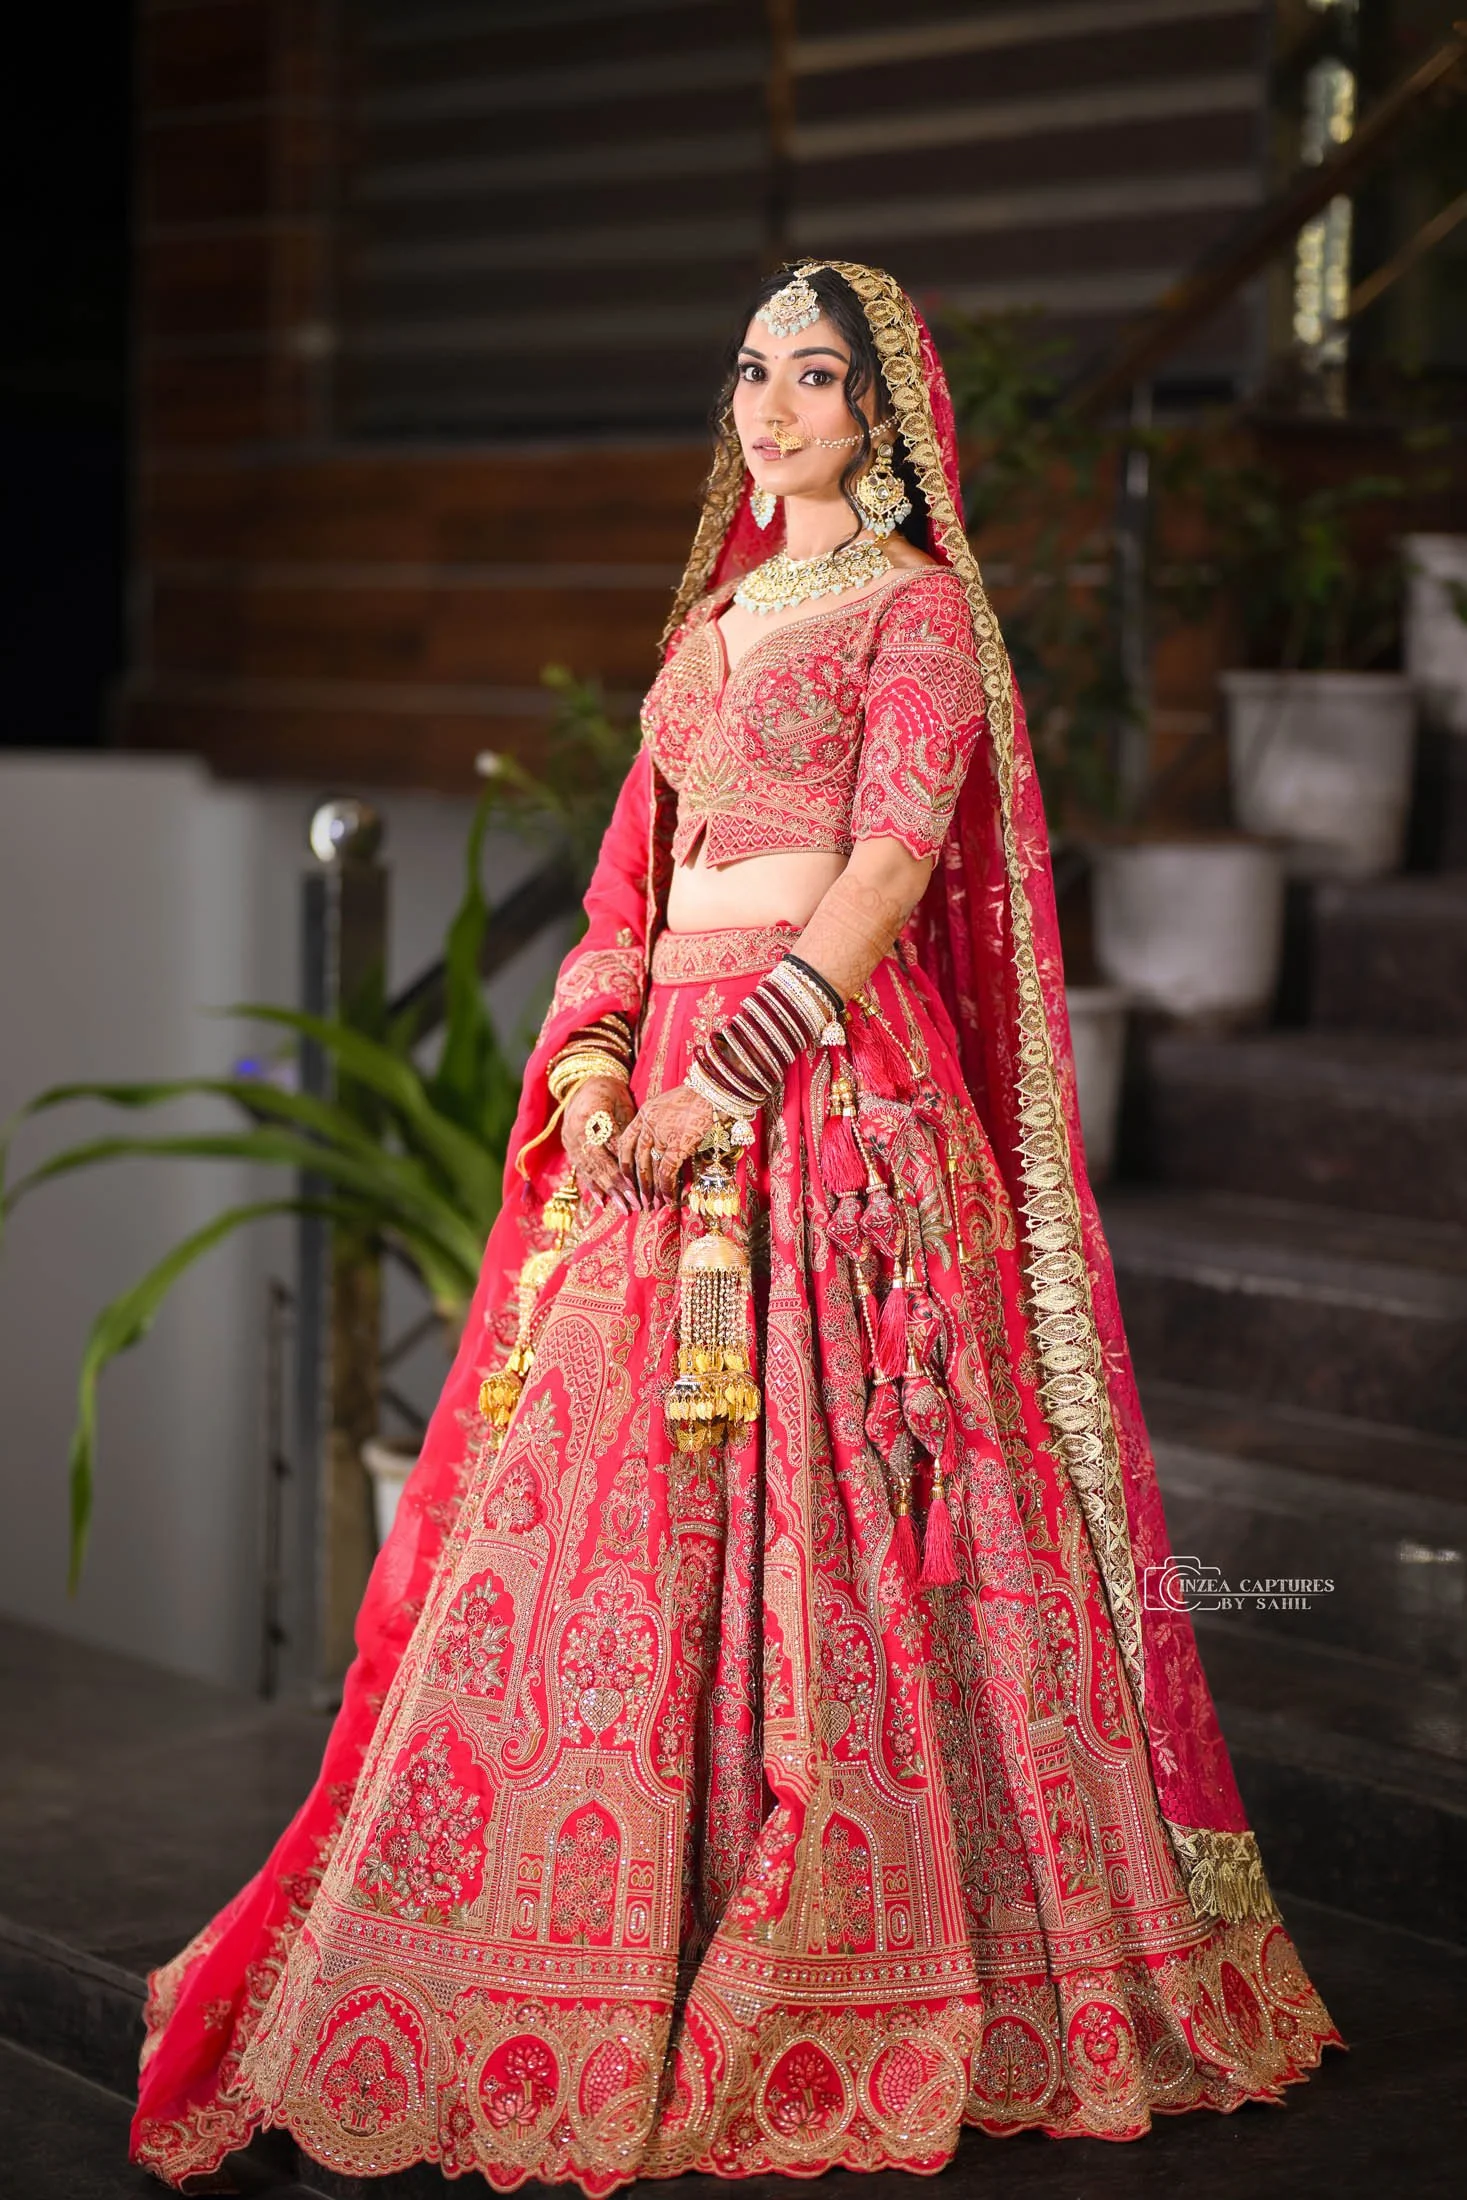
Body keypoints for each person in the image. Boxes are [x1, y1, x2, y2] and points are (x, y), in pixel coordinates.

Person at [132, 262, 1342, 2191]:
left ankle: (872, 1944)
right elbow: (637, 876)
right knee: (603, 1537)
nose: (767, 404)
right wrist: (606, 1069)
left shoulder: (917, 609)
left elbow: (880, 868)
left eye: (812, 376)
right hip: (663, 1110)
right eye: (749, 370)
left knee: (861, 1527)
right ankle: (605, 1924)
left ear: (880, 412)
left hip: (832, 1108)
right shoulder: (715, 614)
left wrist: (739, 1070)